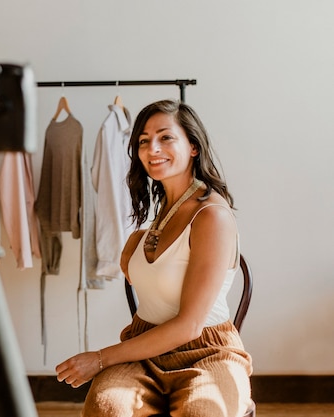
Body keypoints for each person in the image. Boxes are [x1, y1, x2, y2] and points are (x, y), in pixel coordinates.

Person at [55, 99, 252, 417]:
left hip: (207, 351)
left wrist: (101, 358)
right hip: (145, 344)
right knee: (106, 409)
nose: (152, 148)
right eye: (144, 141)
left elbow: (189, 326)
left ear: (193, 146)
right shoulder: (164, 209)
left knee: (201, 414)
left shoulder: (212, 215)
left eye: (165, 137)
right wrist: (140, 237)